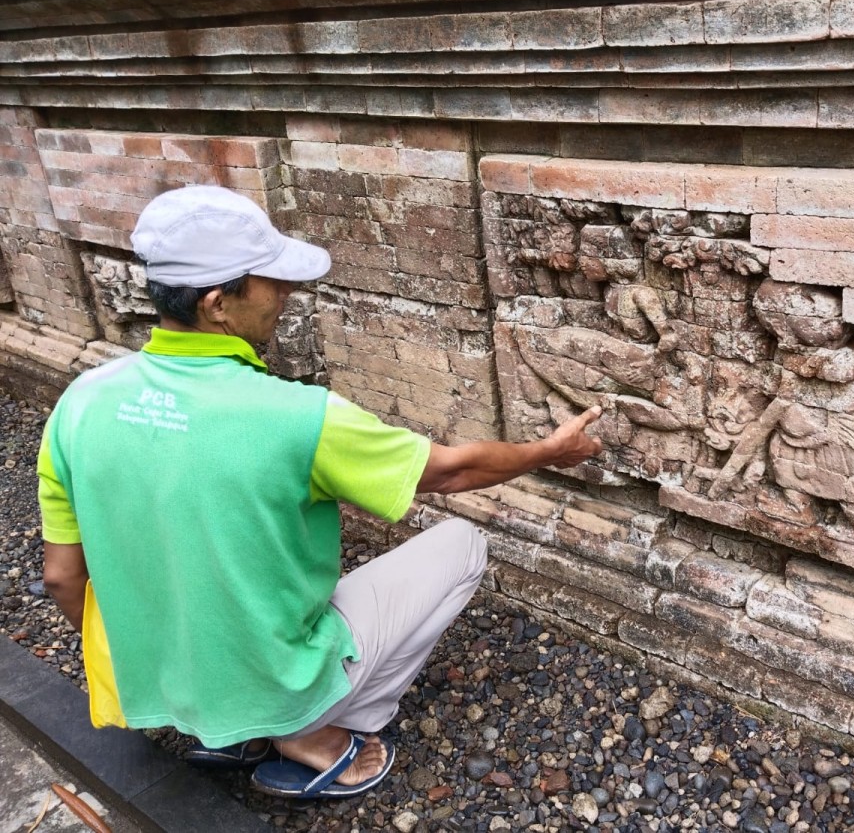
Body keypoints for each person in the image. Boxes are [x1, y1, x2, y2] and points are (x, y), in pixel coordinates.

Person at [38, 185, 603, 799]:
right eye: (269, 282)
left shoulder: (81, 403)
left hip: (161, 685)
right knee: (462, 542)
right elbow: (451, 473)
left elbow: (64, 579)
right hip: (278, 681)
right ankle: (311, 728)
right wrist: (551, 452)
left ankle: (221, 724)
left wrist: (152, 659)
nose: (286, 294)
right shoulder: (298, 417)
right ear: (216, 304)